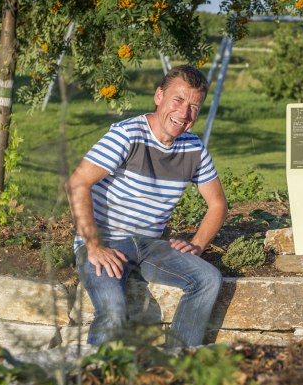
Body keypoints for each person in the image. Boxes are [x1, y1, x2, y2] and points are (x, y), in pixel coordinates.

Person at [65, 64, 227, 347]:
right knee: (113, 310)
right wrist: (94, 246)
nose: (184, 113)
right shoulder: (128, 135)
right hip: (106, 241)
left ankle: (178, 361)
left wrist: (198, 244)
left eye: (194, 107)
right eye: (178, 100)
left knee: (208, 279)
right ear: (158, 96)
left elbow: (218, 205)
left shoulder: (194, 148)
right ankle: (97, 372)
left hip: (150, 246)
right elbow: (77, 184)